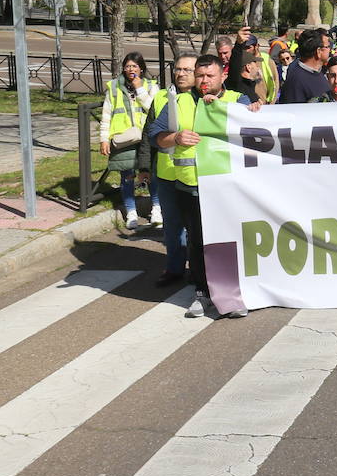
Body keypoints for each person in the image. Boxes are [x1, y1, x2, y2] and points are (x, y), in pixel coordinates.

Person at [146, 54, 251, 318]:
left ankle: (235, 294)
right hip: (190, 186)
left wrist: (253, 110)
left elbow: (254, 131)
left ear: (223, 76)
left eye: (209, 76)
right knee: (198, 241)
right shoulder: (179, 101)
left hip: (228, 186)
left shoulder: (237, 100)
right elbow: (154, 136)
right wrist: (175, 137)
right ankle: (203, 293)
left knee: (228, 239)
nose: (203, 81)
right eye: (200, 75)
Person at [137, 54, 196, 286]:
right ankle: (174, 268)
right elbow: (148, 134)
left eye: (186, 70)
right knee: (172, 226)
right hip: (167, 173)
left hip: (195, 175)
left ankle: (198, 268)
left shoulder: (204, 99)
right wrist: (143, 166)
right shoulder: (162, 96)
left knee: (195, 227)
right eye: (178, 69)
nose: (180, 74)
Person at [99, 51, 160, 230]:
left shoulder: (150, 86)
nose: (131, 69)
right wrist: (103, 139)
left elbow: (154, 109)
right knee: (127, 177)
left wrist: (139, 88)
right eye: (127, 66)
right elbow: (106, 114)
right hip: (124, 138)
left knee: (151, 174)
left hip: (147, 139)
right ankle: (131, 213)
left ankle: (157, 209)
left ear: (141, 68)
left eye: (134, 66)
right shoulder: (114, 87)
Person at [278, 29, 333, 103]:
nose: (330, 50)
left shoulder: (317, 72)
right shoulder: (296, 80)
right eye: (328, 46)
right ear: (319, 51)